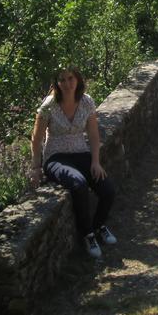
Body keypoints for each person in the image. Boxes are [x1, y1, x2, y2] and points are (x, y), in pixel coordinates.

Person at [30, 67, 117, 259]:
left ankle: (99, 225)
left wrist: (96, 161)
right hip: (56, 157)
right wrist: (36, 167)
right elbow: (36, 140)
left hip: (81, 154)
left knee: (108, 190)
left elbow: (94, 135)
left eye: (70, 78)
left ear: (77, 80)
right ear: (56, 83)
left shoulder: (86, 102)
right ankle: (87, 234)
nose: (67, 84)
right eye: (62, 80)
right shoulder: (49, 105)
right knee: (78, 184)